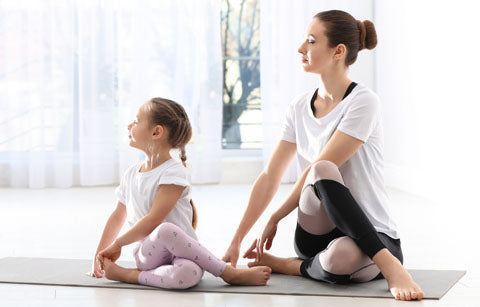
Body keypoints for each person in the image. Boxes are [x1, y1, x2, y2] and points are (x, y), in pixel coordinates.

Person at [222, 10, 424, 301]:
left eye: (311, 41)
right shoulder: (298, 106)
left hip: (372, 234)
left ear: (338, 51)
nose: (301, 49)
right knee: (320, 175)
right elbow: (269, 176)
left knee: (338, 251)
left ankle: (380, 265)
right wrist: (237, 239)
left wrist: (277, 215)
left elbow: (321, 166)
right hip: (316, 231)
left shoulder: (363, 102)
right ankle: (337, 264)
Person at [92, 97, 271, 289]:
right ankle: (228, 274)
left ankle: (130, 276)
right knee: (164, 229)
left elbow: (154, 218)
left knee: (188, 274)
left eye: (136, 121)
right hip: (148, 253)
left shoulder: (174, 172)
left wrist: (118, 244)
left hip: (185, 253)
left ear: (156, 132)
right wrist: (100, 255)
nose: (129, 125)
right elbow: (118, 216)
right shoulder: (130, 174)